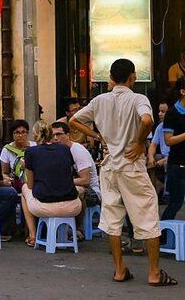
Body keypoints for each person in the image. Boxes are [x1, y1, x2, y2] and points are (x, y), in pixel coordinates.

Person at [70, 58, 176, 286]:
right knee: (147, 216)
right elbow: (147, 120)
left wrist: (99, 136)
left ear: (111, 77)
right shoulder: (138, 98)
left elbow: (74, 120)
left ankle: (119, 270)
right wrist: (139, 142)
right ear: (132, 77)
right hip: (131, 165)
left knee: (112, 219)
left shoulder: (100, 100)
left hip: (109, 166)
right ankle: (154, 273)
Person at [19, 121, 82, 247]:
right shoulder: (65, 149)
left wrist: (25, 166)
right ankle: (75, 230)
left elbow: (30, 185)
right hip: (72, 207)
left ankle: (32, 234)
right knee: (80, 190)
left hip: (45, 207)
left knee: (24, 189)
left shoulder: (31, 152)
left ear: (35, 135)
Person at [51, 121, 100, 238]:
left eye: (59, 134)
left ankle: (78, 229)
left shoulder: (77, 150)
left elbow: (85, 181)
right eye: (53, 135)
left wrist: (62, 182)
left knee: (77, 191)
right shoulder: (57, 151)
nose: (55, 138)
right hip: (67, 187)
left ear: (68, 135)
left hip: (92, 193)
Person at [161, 78, 185, 221]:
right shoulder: (172, 113)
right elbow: (168, 140)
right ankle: (161, 236)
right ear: (183, 91)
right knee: (176, 202)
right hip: (177, 164)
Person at [0, 120, 35, 188]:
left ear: (27, 133)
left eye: (23, 132)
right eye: (17, 132)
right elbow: (4, 173)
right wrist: (8, 180)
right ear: (12, 134)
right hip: (15, 185)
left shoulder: (35, 147)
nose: (20, 135)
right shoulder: (6, 150)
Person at [148, 102, 170, 198]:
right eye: (159, 111)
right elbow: (153, 145)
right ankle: (155, 189)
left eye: (163, 111)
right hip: (163, 155)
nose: (159, 114)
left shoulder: (178, 126)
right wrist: (150, 157)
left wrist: (165, 160)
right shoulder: (160, 127)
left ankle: (167, 194)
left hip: (176, 157)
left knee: (168, 163)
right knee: (145, 162)